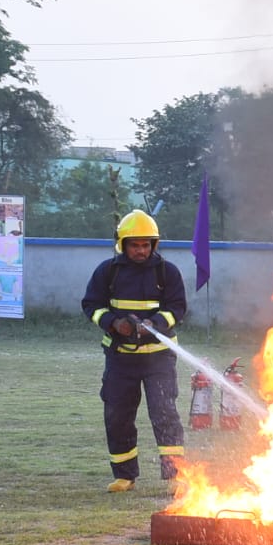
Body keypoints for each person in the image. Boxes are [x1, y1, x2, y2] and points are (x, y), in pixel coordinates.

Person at [81, 210, 188, 492]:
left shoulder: (167, 272)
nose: (140, 250)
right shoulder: (108, 272)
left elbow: (178, 308)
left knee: (164, 413)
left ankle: (176, 475)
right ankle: (125, 476)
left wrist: (154, 323)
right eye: (134, 244)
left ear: (153, 245)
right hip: (120, 359)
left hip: (159, 359)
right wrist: (113, 322)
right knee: (118, 415)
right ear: (122, 244)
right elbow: (91, 305)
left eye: (145, 245)